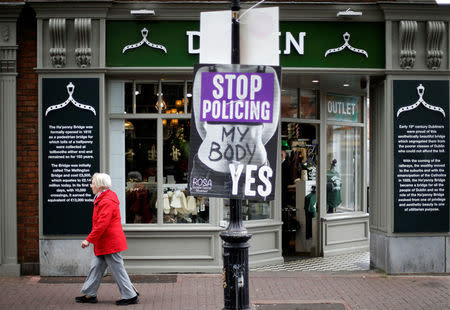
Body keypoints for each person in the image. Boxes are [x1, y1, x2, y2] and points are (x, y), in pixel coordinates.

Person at [75, 173, 139, 306]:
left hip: (110, 242)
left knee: (117, 269)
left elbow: (101, 224)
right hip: (106, 242)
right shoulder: (104, 197)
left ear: (99, 185)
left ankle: (130, 295)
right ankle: (90, 294)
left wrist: (88, 240)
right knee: (97, 267)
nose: (90, 185)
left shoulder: (106, 200)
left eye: (92, 182)